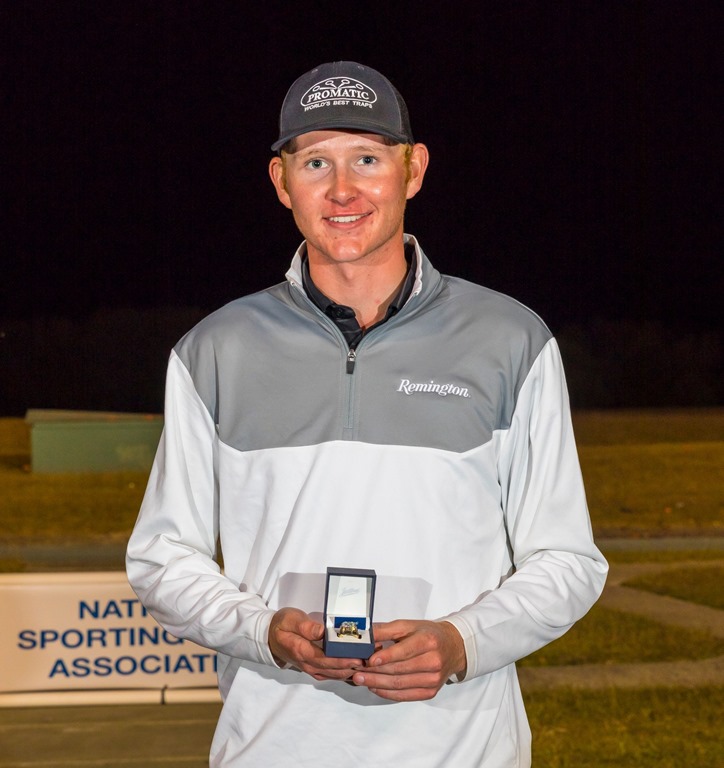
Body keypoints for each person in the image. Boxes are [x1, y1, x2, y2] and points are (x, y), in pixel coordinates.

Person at [127, 60, 608, 767]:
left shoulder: (511, 339)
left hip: (461, 750)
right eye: (316, 162)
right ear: (281, 181)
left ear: (413, 171)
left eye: (368, 158)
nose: (343, 189)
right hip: (273, 747)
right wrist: (262, 632)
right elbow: (163, 557)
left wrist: (462, 643)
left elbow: (567, 560)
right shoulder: (215, 349)